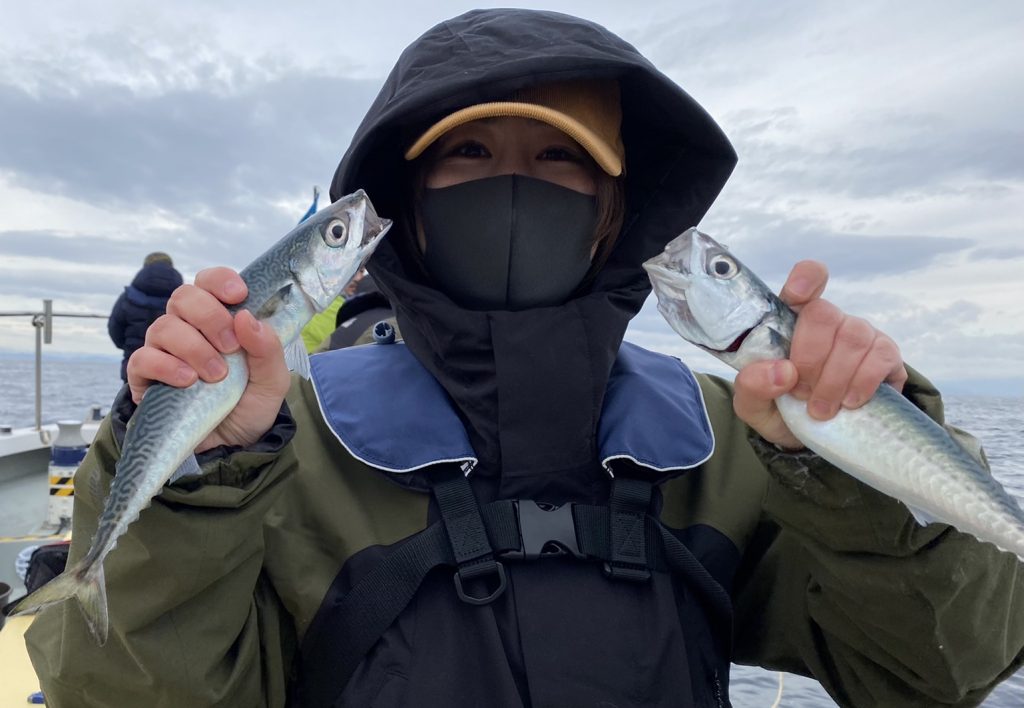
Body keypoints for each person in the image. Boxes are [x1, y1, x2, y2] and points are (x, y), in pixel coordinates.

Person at [27, 9, 1024, 708]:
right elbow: (130, 694)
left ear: (614, 209)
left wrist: (857, 457)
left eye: (559, 159)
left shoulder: (733, 442)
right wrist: (193, 472)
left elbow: (937, 668)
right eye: (467, 155)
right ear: (409, 203)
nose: (512, 188)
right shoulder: (277, 450)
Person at [106, 251, 183, 382]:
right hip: (173, 368)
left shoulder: (128, 297)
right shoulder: (183, 297)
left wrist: (127, 346)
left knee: (133, 392)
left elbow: (114, 327)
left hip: (135, 362)